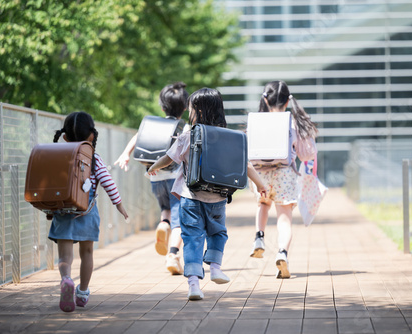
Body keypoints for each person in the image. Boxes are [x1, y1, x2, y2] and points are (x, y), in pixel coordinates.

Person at [147, 88, 267, 300]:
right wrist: (261, 184)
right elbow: (245, 166)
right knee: (218, 233)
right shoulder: (231, 138)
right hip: (218, 198)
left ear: (197, 111)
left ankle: (194, 284)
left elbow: (169, 157)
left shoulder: (189, 135)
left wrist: (153, 167)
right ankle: (215, 267)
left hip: (190, 197)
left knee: (192, 238)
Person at [49, 111, 129, 312]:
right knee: (87, 253)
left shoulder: (58, 156)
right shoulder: (93, 158)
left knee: (64, 257)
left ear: (65, 137)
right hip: (87, 211)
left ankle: (66, 279)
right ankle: (82, 292)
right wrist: (118, 204)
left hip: (63, 211)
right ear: (91, 136)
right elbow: (107, 181)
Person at [114, 82, 189, 275]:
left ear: (162, 107)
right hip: (176, 180)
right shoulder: (184, 127)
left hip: (155, 179)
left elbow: (138, 136)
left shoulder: (154, 124)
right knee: (181, 220)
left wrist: (125, 154)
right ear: (185, 107)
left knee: (165, 209)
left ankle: (163, 225)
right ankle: (173, 255)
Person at [248, 80, 317, 279]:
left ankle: (259, 237)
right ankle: (282, 253)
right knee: (284, 218)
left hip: (259, 173)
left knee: (263, 204)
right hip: (284, 173)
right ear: (288, 101)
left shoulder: (256, 121)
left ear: (265, 100)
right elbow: (306, 154)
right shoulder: (293, 122)